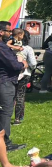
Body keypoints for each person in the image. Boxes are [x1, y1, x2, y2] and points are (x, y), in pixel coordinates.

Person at [0, 22, 24, 153]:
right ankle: (5, 143)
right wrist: (23, 64)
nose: (10, 34)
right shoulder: (2, 47)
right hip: (5, 82)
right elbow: (14, 65)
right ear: (1, 32)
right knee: (5, 113)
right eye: (8, 31)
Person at [13, 28, 35, 126]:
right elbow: (33, 63)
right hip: (24, 73)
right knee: (20, 95)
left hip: (11, 74)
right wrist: (30, 66)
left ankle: (5, 116)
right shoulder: (28, 49)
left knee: (10, 95)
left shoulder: (10, 47)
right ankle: (18, 118)